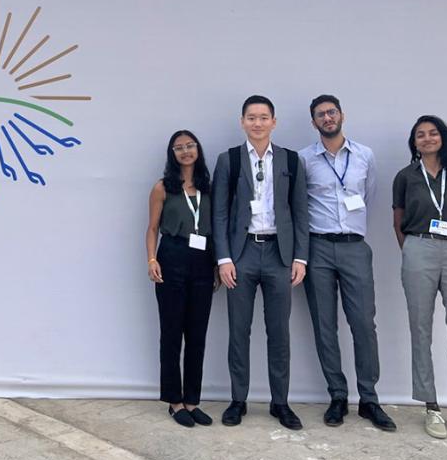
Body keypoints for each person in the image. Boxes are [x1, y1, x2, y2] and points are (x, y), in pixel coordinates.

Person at [299, 95, 396, 431]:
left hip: (355, 246)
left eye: (331, 112)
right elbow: (300, 205)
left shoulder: (364, 155)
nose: (327, 118)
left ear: (342, 115)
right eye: (320, 115)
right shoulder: (304, 159)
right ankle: (338, 395)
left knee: (363, 324)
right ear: (313, 123)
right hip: (319, 247)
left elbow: (367, 196)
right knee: (325, 325)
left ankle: (369, 399)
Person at [212, 95, 309, 430]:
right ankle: (238, 400)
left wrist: (300, 256)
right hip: (242, 254)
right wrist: (223, 257)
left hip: (280, 255)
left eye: (263, 117)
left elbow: (300, 212)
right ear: (242, 122)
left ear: (274, 122)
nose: (257, 123)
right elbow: (220, 212)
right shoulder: (229, 160)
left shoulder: (291, 161)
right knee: (239, 330)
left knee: (279, 332)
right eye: (251, 117)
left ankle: (279, 402)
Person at [393, 115, 447, 440]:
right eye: (420, 135)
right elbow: (398, 220)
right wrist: (413, 251)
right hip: (418, 248)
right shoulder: (406, 177)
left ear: (443, 138)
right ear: (414, 143)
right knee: (420, 329)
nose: (427, 139)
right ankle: (431, 407)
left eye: (432, 133)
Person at [146, 130, 216, 427]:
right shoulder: (163, 187)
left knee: (197, 334)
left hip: (203, 259)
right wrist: (152, 259)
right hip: (172, 256)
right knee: (172, 332)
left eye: (190, 146)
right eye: (179, 147)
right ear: (172, 154)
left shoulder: (209, 187)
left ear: (198, 149)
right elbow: (151, 229)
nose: (186, 151)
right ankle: (175, 402)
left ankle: (192, 401)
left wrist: (215, 267)